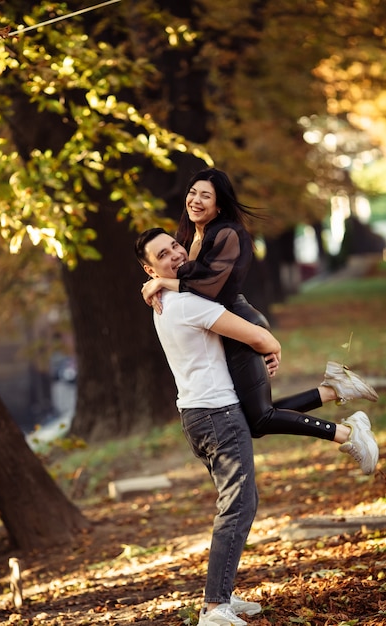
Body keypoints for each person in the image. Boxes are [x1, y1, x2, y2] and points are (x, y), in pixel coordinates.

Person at [134, 229, 377, 626]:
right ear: (149, 268)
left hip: (198, 415)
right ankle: (215, 608)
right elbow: (258, 336)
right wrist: (270, 347)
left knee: (249, 458)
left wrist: (166, 279)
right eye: (163, 255)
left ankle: (222, 596)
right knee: (238, 507)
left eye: (176, 246)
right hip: (217, 416)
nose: (175, 254)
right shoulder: (185, 303)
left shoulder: (166, 301)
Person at [141, 169, 379, 473]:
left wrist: (161, 283)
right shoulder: (194, 238)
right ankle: (335, 390)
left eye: (206, 196)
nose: (196, 200)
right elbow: (183, 280)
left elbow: (207, 286)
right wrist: (155, 281)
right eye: (193, 192)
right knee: (256, 415)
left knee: (260, 418)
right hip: (228, 327)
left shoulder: (226, 233)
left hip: (239, 324)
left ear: (220, 206)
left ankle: (349, 434)